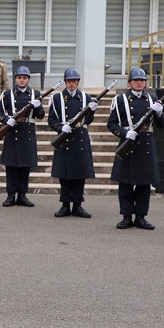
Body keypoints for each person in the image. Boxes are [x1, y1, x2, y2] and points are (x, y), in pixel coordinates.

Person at [107, 67, 164, 230]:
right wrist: (125, 133)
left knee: (144, 184)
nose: (139, 83)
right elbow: (111, 124)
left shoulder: (153, 98)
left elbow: (161, 125)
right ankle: (126, 216)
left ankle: (141, 216)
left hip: (146, 144)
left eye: (142, 80)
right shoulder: (120, 100)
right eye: (136, 80)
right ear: (129, 83)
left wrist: (160, 113)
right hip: (128, 144)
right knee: (125, 183)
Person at [47, 68, 97, 218]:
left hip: (80, 136)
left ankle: (77, 204)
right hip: (64, 137)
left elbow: (87, 121)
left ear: (78, 82)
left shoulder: (86, 98)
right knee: (64, 174)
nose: (71, 84)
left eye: (74, 81)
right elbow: (51, 120)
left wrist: (92, 112)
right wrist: (61, 127)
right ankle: (64, 204)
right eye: (69, 81)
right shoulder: (57, 99)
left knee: (79, 174)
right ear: (65, 82)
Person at [0, 66, 44, 207]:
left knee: (25, 166)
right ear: (15, 79)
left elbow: (41, 116)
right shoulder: (7, 94)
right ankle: (10, 195)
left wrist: (38, 107)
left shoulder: (35, 94)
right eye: (19, 77)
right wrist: (6, 120)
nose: (22, 80)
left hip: (27, 132)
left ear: (28, 79)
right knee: (11, 166)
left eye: (25, 78)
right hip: (12, 131)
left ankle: (22, 195)